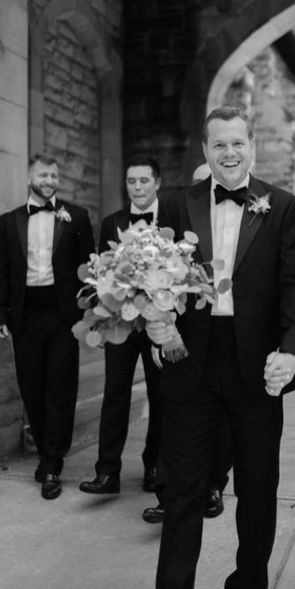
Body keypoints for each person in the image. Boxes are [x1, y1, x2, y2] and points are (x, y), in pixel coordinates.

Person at [145, 105, 295, 589]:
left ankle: (249, 581)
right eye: (219, 144)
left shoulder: (281, 205)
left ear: (251, 146)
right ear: (205, 150)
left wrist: (292, 350)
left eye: (237, 142)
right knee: (183, 487)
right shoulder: (177, 203)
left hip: (257, 365)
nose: (229, 152)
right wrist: (159, 322)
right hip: (190, 361)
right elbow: (158, 278)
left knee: (258, 487)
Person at [142, 158, 233, 523]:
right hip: (181, 336)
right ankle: (170, 493)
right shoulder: (175, 223)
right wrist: (158, 332)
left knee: (221, 421)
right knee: (173, 414)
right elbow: (156, 280)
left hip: (225, 339)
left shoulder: (235, 228)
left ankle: (213, 485)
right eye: (199, 183)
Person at [0, 153, 95, 499]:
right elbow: (3, 272)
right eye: (43, 174)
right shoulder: (8, 222)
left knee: (61, 386)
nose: (50, 180)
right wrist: (2, 315)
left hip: (63, 315)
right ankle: (44, 450)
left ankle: (53, 461)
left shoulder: (77, 216)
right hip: (25, 316)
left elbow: (89, 267)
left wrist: (91, 312)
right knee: (32, 388)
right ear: (29, 177)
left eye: (54, 175)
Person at [79, 156, 169, 495]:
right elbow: (103, 277)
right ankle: (107, 472)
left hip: (158, 321)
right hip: (120, 322)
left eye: (144, 181)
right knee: (114, 393)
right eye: (132, 181)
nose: (138, 187)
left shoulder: (172, 218)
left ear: (157, 183)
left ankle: (155, 466)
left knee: (161, 396)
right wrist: (103, 322)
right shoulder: (111, 222)